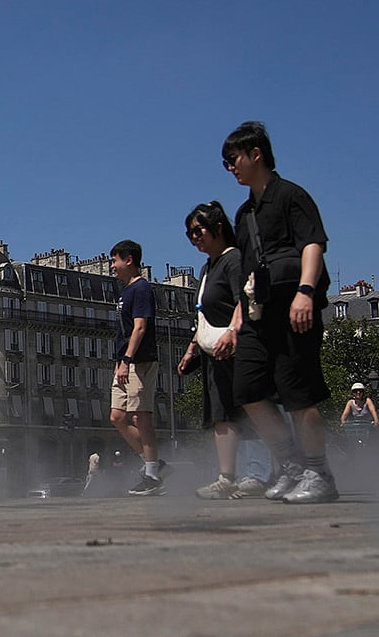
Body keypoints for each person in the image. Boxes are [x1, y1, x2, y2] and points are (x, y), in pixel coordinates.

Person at [222, 120, 337, 503]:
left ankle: (319, 474)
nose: (230, 167)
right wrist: (237, 321)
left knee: (297, 393)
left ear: (256, 154)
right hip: (257, 313)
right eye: (226, 162)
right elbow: (248, 271)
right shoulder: (244, 214)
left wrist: (305, 291)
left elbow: (312, 244)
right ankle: (292, 466)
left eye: (234, 159)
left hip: (292, 306)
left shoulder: (291, 196)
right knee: (248, 389)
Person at [178, 201, 266, 499]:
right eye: (190, 233)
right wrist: (191, 349)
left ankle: (258, 474)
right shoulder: (207, 268)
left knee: (249, 410)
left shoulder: (234, 260)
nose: (194, 237)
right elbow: (204, 313)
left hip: (239, 348)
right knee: (222, 414)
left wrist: (232, 331)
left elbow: (244, 299)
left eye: (198, 230)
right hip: (214, 352)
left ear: (218, 227)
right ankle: (226, 477)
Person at [108, 239, 167, 497]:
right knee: (117, 417)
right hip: (125, 361)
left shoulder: (141, 288)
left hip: (139, 361)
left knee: (140, 416)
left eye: (114, 261)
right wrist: (119, 362)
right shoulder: (125, 291)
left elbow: (140, 327)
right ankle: (153, 462)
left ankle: (152, 475)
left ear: (129, 260)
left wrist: (127, 360)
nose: (112, 266)